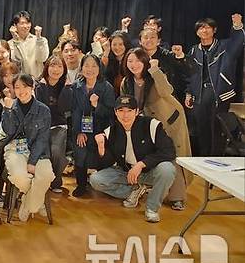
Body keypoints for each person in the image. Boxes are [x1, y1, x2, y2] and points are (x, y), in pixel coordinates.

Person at [121, 48, 192, 210]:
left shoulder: (154, 75)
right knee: (153, 156)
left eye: (138, 61)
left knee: (173, 155)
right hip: (148, 125)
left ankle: (177, 198)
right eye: (130, 61)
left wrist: (155, 69)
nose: (134, 64)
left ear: (145, 62)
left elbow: (167, 91)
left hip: (170, 121)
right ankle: (151, 188)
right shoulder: (127, 82)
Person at [90, 95, 177, 223]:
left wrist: (141, 164)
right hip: (127, 172)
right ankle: (135, 190)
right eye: (121, 111)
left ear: (137, 112)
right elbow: (107, 163)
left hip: (149, 171)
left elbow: (169, 152)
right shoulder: (111, 131)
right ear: (115, 112)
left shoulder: (151, 125)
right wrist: (101, 148)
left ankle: (152, 209)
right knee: (96, 179)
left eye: (129, 111)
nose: (125, 115)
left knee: (168, 169)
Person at [185, 13, 244, 156]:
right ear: (197, 31)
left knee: (217, 129)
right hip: (199, 94)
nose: (204, 30)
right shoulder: (194, 50)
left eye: (207, 28)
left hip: (220, 92)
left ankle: (216, 160)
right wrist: (188, 93)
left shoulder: (224, 46)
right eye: (201, 28)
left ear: (214, 30)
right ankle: (204, 161)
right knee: (201, 129)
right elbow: (189, 74)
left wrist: (237, 26)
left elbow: (237, 42)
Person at [1, 74, 55, 221]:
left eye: (25, 86)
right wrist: (7, 110)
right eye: (17, 87)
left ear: (32, 88)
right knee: (19, 176)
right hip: (15, 149)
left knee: (46, 175)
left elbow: (42, 139)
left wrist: (32, 161)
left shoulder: (43, 110)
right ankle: (37, 200)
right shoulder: (11, 106)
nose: (21, 90)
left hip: (39, 152)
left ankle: (28, 204)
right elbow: (9, 130)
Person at [70, 54, 115, 197]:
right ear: (81, 67)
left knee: (102, 151)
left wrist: (97, 105)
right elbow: (74, 111)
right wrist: (78, 131)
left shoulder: (106, 87)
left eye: (94, 65)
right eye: (86, 65)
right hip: (81, 128)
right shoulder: (76, 86)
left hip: (101, 129)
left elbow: (111, 112)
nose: (90, 69)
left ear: (99, 68)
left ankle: (102, 182)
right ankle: (81, 184)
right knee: (80, 151)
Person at [35, 55, 73, 193]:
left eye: (59, 66)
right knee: (44, 152)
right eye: (52, 65)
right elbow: (42, 108)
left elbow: (64, 108)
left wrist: (66, 89)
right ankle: (43, 179)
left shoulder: (67, 87)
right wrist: (44, 87)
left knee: (56, 151)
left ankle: (56, 180)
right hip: (42, 127)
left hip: (59, 126)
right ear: (47, 68)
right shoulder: (39, 86)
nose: (55, 69)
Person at [138, 28, 192, 104]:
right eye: (146, 37)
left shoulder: (168, 56)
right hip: (142, 97)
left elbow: (185, 71)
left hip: (166, 99)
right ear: (140, 41)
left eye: (152, 37)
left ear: (158, 41)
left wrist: (180, 56)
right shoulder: (136, 56)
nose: (149, 40)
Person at [7, 11, 49, 76]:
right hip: (20, 81)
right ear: (15, 25)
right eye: (22, 23)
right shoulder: (10, 43)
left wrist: (39, 39)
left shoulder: (41, 40)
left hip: (38, 80)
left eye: (28, 23)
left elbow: (42, 58)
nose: (25, 26)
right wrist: (16, 40)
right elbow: (18, 60)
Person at [101, 31, 133, 96]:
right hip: (109, 94)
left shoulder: (131, 58)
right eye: (114, 44)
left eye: (121, 44)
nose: (117, 48)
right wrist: (106, 52)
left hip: (128, 94)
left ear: (126, 45)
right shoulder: (106, 57)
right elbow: (101, 73)